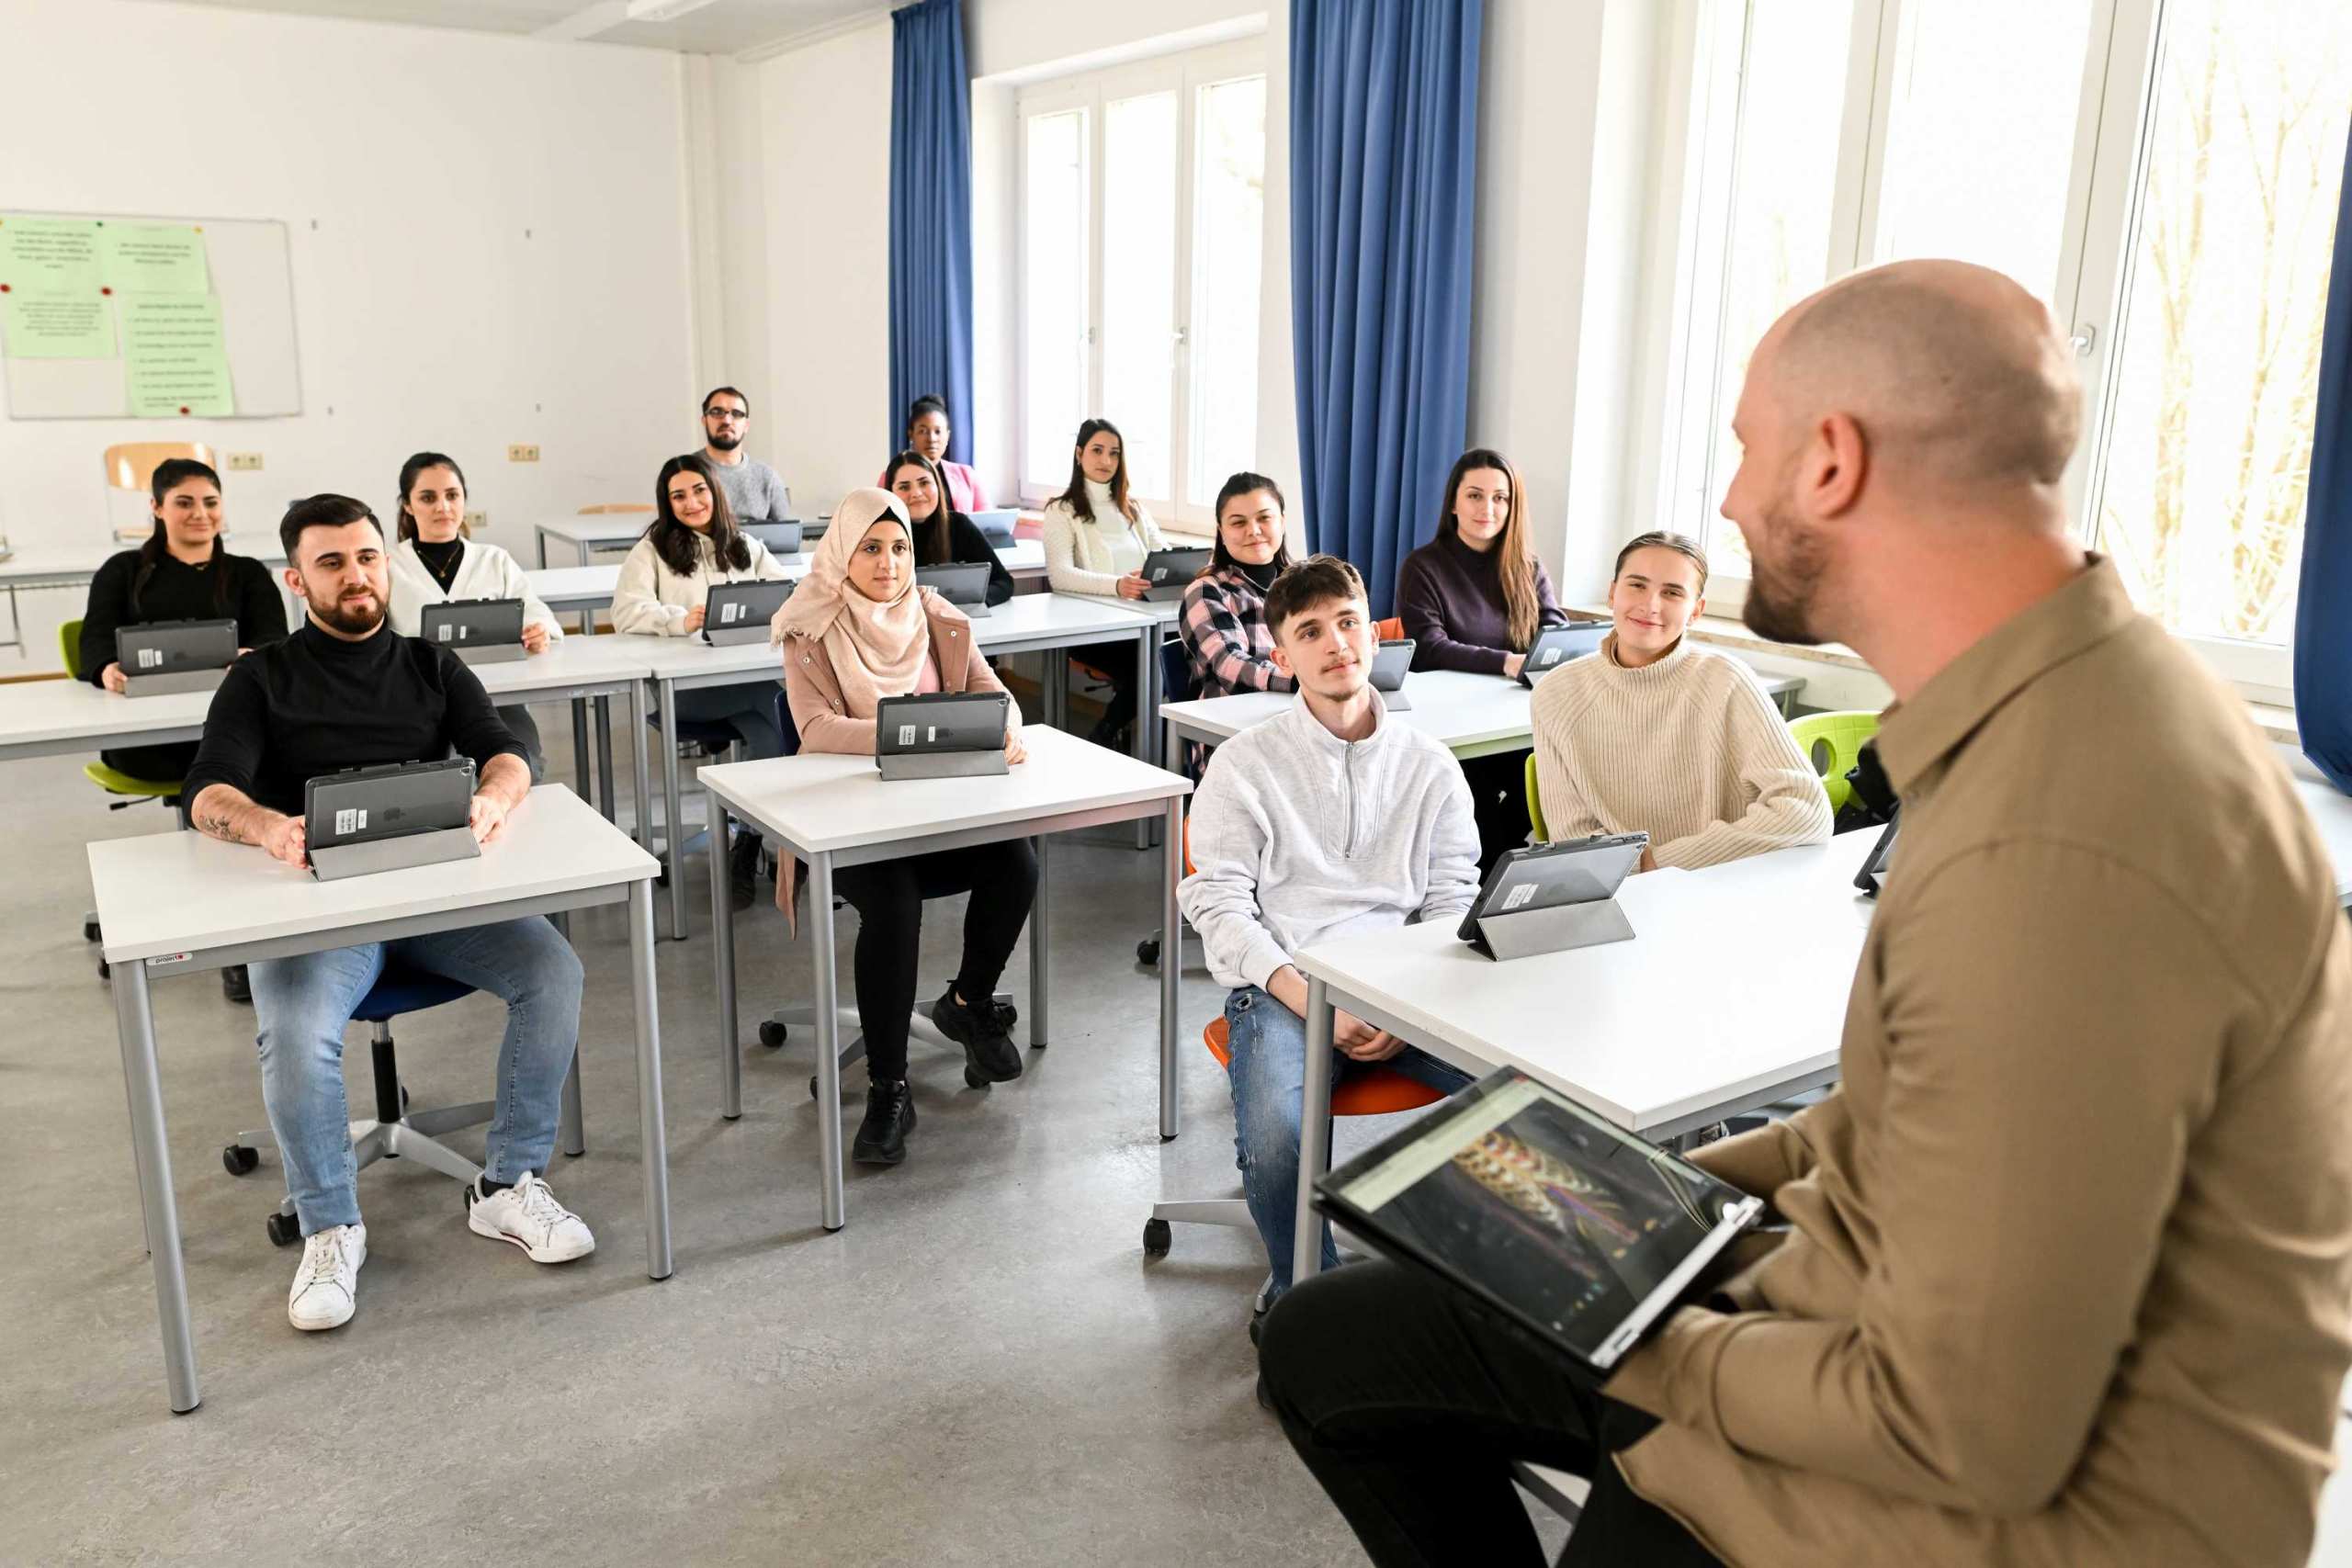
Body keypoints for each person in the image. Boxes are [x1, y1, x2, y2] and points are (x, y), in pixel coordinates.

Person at [1261, 261, 2352, 1567]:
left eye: (1745, 448)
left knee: (1472, 1396)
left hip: (1994, 1500)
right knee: (1327, 1333)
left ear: (1831, 462)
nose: (1728, 496)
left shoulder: (2067, 829)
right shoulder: (2035, 716)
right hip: (1845, 1313)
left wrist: (1639, 1330)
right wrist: (1641, 1199)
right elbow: (1888, 1122)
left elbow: (1969, 1427)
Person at [183, 494, 595, 1335]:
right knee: (295, 1032)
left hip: (435, 899)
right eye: (331, 563)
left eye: (367, 557)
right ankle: (331, 1224)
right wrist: (265, 825)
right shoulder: (259, 676)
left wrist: (493, 799)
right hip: (323, 914)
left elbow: (505, 749)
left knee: (554, 970)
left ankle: (508, 1185)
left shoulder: (431, 661)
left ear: (385, 561)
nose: (356, 576)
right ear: (298, 579)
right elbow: (206, 791)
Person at [1179, 555, 1479, 1331]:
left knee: (1530, 1089)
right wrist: (1309, 996)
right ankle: (1311, 1296)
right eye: (1310, 632)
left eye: (1347, 622)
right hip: (1285, 980)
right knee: (1279, 1132)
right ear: (1282, 655)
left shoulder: (1431, 765)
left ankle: (1500, 1285)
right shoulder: (1244, 765)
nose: (1336, 643)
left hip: (1406, 984)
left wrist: (1403, 996)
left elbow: (1454, 900)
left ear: (1372, 632)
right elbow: (1217, 903)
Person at [775, 488, 1036, 1168]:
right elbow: (817, 729)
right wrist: (914, 736)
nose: (888, 562)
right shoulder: (810, 628)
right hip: (850, 826)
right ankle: (889, 1086)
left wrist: (1003, 725)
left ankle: (968, 1001)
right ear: (843, 553)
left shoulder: (937, 616)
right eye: (870, 548)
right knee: (893, 902)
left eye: (899, 548)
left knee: (1017, 860)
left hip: (938, 814)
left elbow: (992, 692)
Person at [79, 457, 288, 1005]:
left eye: (211, 502)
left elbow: (275, 641)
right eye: (185, 502)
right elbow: (93, 644)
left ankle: (242, 943)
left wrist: (250, 658)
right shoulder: (122, 571)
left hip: (237, 738)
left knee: (252, 773)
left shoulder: (247, 574)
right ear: (156, 508)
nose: (200, 514)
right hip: (150, 744)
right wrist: (105, 668)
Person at [1530, 530, 1830, 868]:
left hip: (1723, 888)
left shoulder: (1726, 681)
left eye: (1672, 593)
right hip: (1622, 894)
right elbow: (1574, 839)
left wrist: (1660, 862)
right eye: (1637, 585)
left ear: (1695, 611)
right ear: (1612, 593)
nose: (1651, 605)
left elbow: (1807, 812)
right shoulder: (1555, 693)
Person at [613, 453, 793, 907]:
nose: (691, 502)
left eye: (699, 491)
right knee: (776, 705)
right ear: (666, 503)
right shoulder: (652, 550)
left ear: (715, 492)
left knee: (768, 721)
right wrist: (681, 619)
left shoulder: (745, 546)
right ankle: (778, 843)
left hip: (745, 683)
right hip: (685, 692)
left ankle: (748, 843)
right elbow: (625, 612)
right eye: (678, 496)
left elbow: (787, 593)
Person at [1394, 448, 1568, 866]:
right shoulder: (1423, 566)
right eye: (1474, 495)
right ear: (1453, 502)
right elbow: (1428, 647)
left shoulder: (1526, 566)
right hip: (1454, 727)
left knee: (1554, 773)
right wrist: (1506, 661)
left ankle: (1483, 876)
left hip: (1517, 717)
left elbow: (1556, 630)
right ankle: (1480, 878)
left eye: (1499, 498)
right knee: (1500, 788)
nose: (1487, 508)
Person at [384, 450, 564, 779]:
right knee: (432, 786)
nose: (443, 507)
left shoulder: (494, 560)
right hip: (420, 707)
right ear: (408, 505)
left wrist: (538, 630)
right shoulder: (388, 566)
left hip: (496, 703)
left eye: (452, 495)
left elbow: (537, 611)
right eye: (428, 497)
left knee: (524, 773)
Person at [1039, 417, 1167, 745]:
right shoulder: (1061, 510)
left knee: (1175, 659)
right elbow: (1060, 576)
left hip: (1144, 619)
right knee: (1151, 669)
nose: (1106, 461)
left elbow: (1162, 554)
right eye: (1097, 451)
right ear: (1079, 454)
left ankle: (1169, 749)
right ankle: (1103, 737)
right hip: (1093, 628)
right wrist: (1117, 585)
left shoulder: (1133, 509)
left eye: (1114, 453)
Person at [884, 449, 1013, 605]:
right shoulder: (882, 534)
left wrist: (970, 604)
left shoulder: (958, 525)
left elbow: (1004, 582)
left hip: (955, 621)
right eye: (904, 487)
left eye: (924, 483)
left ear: (937, 485)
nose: (916, 493)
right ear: (890, 493)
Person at [878, 393, 990, 514]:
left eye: (938, 431)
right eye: (923, 431)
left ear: (947, 435)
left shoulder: (966, 475)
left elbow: (989, 522)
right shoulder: (890, 476)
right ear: (911, 434)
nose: (931, 438)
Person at [698, 385, 793, 525]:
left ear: (746, 425)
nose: (727, 421)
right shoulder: (683, 472)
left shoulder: (768, 477)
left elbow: (788, 534)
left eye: (736, 414)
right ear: (704, 420)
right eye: (717, 412)